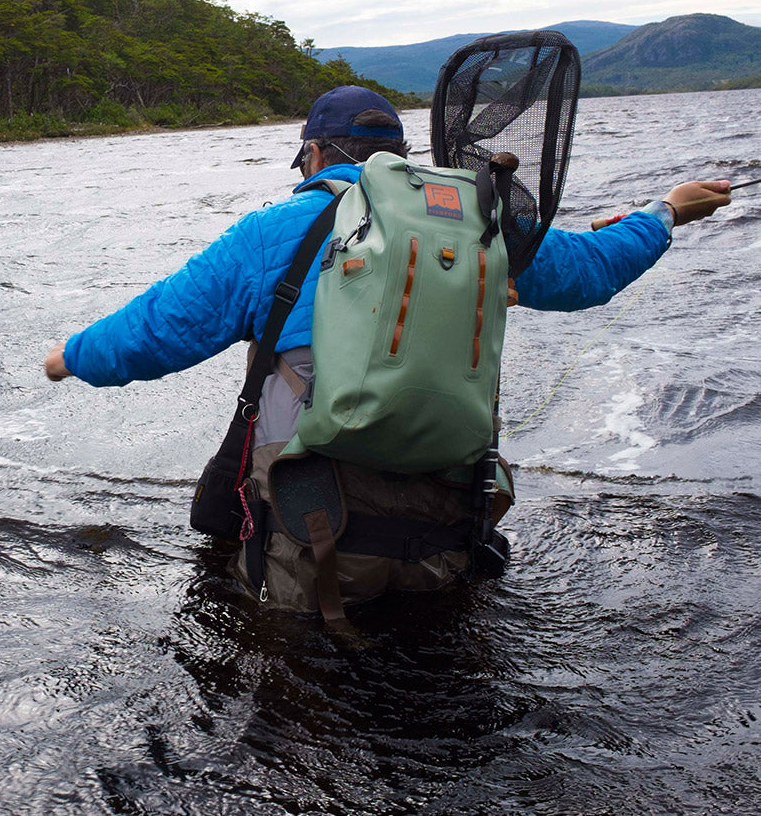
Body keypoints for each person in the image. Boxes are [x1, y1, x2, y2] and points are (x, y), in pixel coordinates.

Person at [43, 86, 731, 612]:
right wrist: (665, 211)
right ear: (398, 156)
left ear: (312, 155)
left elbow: (154, 332)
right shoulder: (472, 223)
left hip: (312, 529)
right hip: (447, 523)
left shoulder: (268, 233)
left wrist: (71, 356)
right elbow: (594, 269)